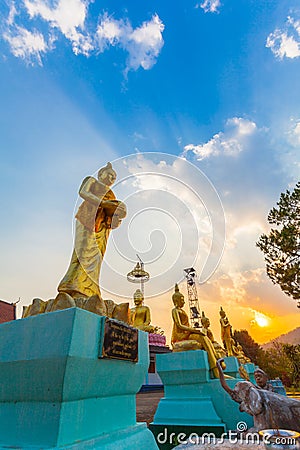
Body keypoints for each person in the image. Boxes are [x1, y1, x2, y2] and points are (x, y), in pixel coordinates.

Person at [57, 162, 126, 299]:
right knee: (83, 251)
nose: (112, 178)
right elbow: (83, 192)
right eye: (110, 175)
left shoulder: (111, 193)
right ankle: (72, 284)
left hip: (102, 227)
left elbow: (110, 214)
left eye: (114, 177)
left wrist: (117, 217)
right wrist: (103, 203)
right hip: (88, 218)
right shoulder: (92, 180)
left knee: (96, 257)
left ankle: (89, 288)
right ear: (101, 174)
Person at [171, 284, 221, 378]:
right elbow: (179, 325)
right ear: (176, 300)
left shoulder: (183, 311)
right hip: (181, 335)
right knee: (201, 336)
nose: (184, 302)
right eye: (182, 300)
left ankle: (216, 363)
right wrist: (194, 330)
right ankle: (216, 370)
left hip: (188, 333)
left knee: (204, 337)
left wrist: (195, 331)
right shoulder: (175, 311)